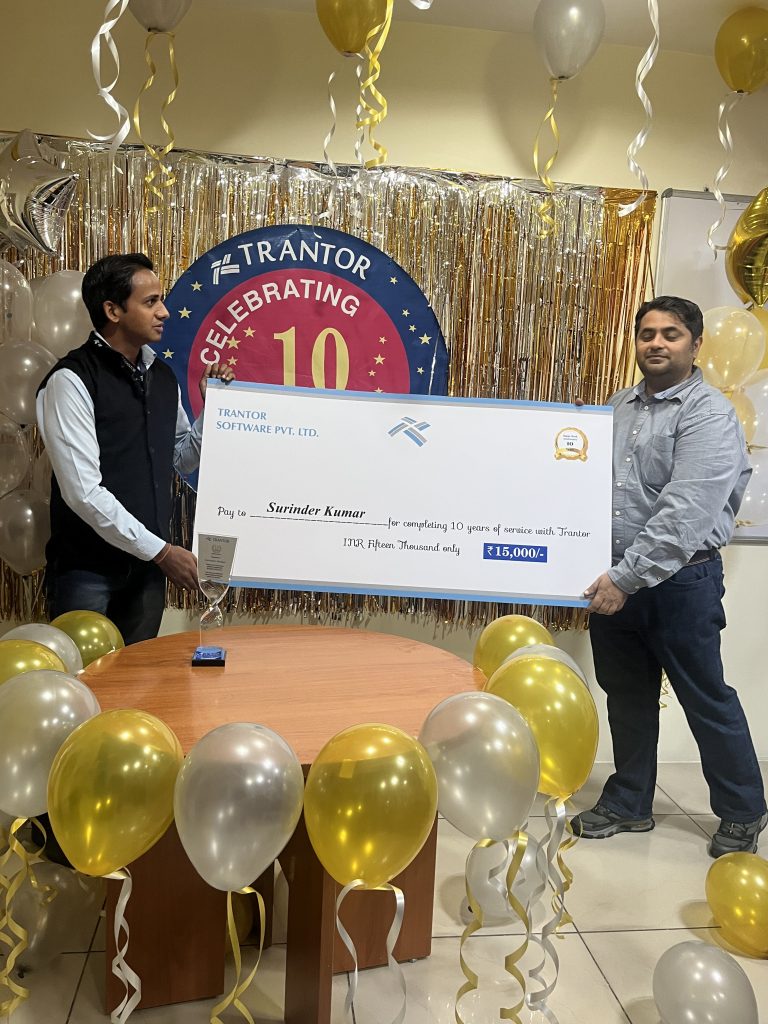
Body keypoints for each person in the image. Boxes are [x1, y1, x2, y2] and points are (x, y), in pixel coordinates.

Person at [572, 295, 767, 859]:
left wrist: (625, 578)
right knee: (627, 697)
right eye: (647, 333)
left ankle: (743, 810)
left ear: (695, 344)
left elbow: (685, 512)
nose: (656, 343)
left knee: (705, 696)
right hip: (616, 581)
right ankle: (629, 802)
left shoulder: (709, 414)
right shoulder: (617, 407)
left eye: (671, 334)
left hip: (680, 582)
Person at [37, 252, 234, 645]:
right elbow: (83, 492)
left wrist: (212, 408)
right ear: (112, 310)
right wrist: (162, 553)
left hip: (146, 574)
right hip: (87, 571)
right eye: (151, 302)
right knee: (85, 676)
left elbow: (182, 458)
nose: (164, 312)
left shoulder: (162, 376)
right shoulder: (71, 380)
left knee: (138, 676)